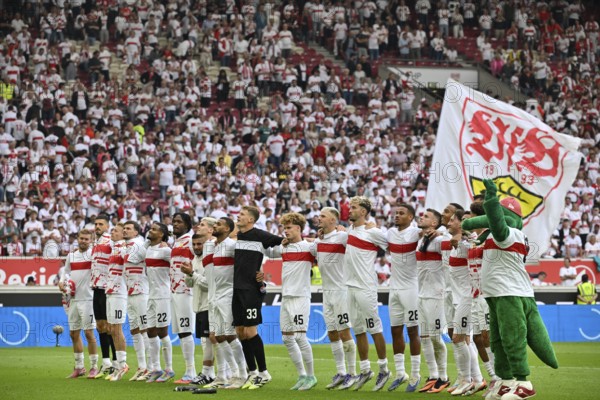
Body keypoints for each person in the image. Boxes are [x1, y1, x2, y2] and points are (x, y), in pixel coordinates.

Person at [233, 205, 283, 389]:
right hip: (236, 289)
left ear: (251, 220)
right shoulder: (236, 237)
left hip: (251, 290)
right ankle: (252, 372)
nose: (239, 215)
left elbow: (285, 241)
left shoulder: (260, 235)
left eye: (242, 214)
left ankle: (264, 372)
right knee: (240, 331)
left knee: (250, 331)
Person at [267, 212, 317, 391]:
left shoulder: (309, 247)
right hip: (286, 297)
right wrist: (279, 243)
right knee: (287, 338)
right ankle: (302, 375)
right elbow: (266, 250)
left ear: (298, 228)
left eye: (288, 228)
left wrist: (315, 238)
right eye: (284, 228)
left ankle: (311, 376)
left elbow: (325, 245)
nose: (285, 231)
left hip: (300, 297)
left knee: (300, 337)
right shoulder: (284, 248)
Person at [345, 196, 390, 391]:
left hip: (366, 287)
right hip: (349, 286)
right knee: (358, 330)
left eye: (353, 207)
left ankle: (384, 369)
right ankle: (365, 370)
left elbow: (392, 246)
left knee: (374, 328)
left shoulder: (374, 232)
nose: (350, 210)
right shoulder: (349, 230)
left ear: (363, 212)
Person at [198, 217, 249, 389]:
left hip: (228, 295)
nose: (215, 226)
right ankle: (233, 374)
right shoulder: (214, 246)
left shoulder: (232, 245)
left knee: (229, 335)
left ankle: (242, 373)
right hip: (214, 296)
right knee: (219, 336)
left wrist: (258, 275)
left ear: (227, 229)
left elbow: (251, 257)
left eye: (218, 224)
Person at [314, 207, 357, 390]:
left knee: (344, 332)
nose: (319, 218)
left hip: (341, 291)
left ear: (333, 220)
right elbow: (311, 244)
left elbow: (360, 237)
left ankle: (353, 373)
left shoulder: (343, 237)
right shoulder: (318, 239)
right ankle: (341, 372)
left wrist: (346, 229)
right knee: (332, 332)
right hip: (327, 292)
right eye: (319, 216)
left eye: (323, 216)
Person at [446, 210, 485, 395]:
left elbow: (475, 241)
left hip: (468, 297)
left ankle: (466, 379)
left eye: (454, 220)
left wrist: (463, 234)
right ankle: (476, 379)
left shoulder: (471, 240)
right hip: (458, 297)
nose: (449, 222)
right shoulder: (457, 240)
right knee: (467, 339)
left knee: (459, 338)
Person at [386, 204, 422, 392]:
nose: (397, 216)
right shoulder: (390, 232)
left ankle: (415, 374)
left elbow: (436, 231)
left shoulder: (417, 233)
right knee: (395, 331)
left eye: (401, 213)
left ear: (411, 217)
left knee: (413, 331)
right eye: (395, 213)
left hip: (411, 288)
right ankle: (400, 373)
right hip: (394, 288)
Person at [416, 209, 449, 393]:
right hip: (421, 295)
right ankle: (433, 375)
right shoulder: (422, 239)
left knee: (436, 337)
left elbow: (455, 241)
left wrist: (444, 232)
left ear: (435, 223)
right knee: (425, 337)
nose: (422, 217)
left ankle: (444, 377)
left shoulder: (438, 240)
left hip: (436, 295)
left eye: (427, 216)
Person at [181, 218, 216, 386]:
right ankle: (209, 374)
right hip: (199, 305)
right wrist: (188, 273)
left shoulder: (211, 257)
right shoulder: (194, 260)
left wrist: (192, 274)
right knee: (206, 340)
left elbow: (209, 284)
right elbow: (189, 284)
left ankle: (218, 373)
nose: (196, 247)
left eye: (199, 244)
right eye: (194, 245)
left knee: (214, 340)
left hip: (211, 304)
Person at [59, 229, 99, 378]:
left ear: (91, 241)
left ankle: (94, 367)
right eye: (81, 238)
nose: (83, 241)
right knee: (73, 333)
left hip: (89, 299)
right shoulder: (71, 255)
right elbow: (66, 272)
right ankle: (79, 367)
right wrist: (62, 283)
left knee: (89, 333)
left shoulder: (93, 255)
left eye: (86, 239)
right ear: (78, 238)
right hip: (74, 300)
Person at [167, 212, 197, 384]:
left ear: (187, 225)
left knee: (186, 331)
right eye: (174, 221)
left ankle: (190, 371)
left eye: (179, 222)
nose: (175, 224)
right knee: (181, 332)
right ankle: (189, 371)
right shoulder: (176, 242)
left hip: (186, 291)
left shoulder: (191, 241)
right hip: (175, 291)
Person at [144, 222, 173, 383]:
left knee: (162, 331)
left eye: (154, 229)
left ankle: (169, 369)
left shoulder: (166, 250)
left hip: (163, 295)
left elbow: (177, 263)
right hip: (151, 295)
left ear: (162, 234)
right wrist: (147, 241)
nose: (150, 230)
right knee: (150, 331)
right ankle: (156, 368)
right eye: (151, 228)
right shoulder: (148, 249)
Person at [90, 214, 117, 378]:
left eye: (100, 224)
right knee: (100, 326)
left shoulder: (111, 242)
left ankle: (116, 362)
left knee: (110, 326)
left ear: (107, 226)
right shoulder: (96, 243)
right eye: (96, 224)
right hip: (96, 288)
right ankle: (106, 362)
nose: (97, 227)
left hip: (107, 288)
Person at [123, 220, 150, 381]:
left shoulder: (140, 244)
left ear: (136, 232)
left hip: (141, 292)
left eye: (128, 229)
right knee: (134, 330)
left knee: (145, 329)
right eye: (124, 228)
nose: (125, 231)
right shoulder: (125, 247)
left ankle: (151, 367)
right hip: (129, 293)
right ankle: (142, 366)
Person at [105, 223, 129, 381]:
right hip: (110, 292)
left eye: (115, 231)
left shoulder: (124, 248)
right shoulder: (114, 248)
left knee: (117, 328)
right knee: (112, 329)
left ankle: (123, 364)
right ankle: (118, 365)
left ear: (122, 234)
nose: (112, 232)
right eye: (112, 230)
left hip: (120, 293)